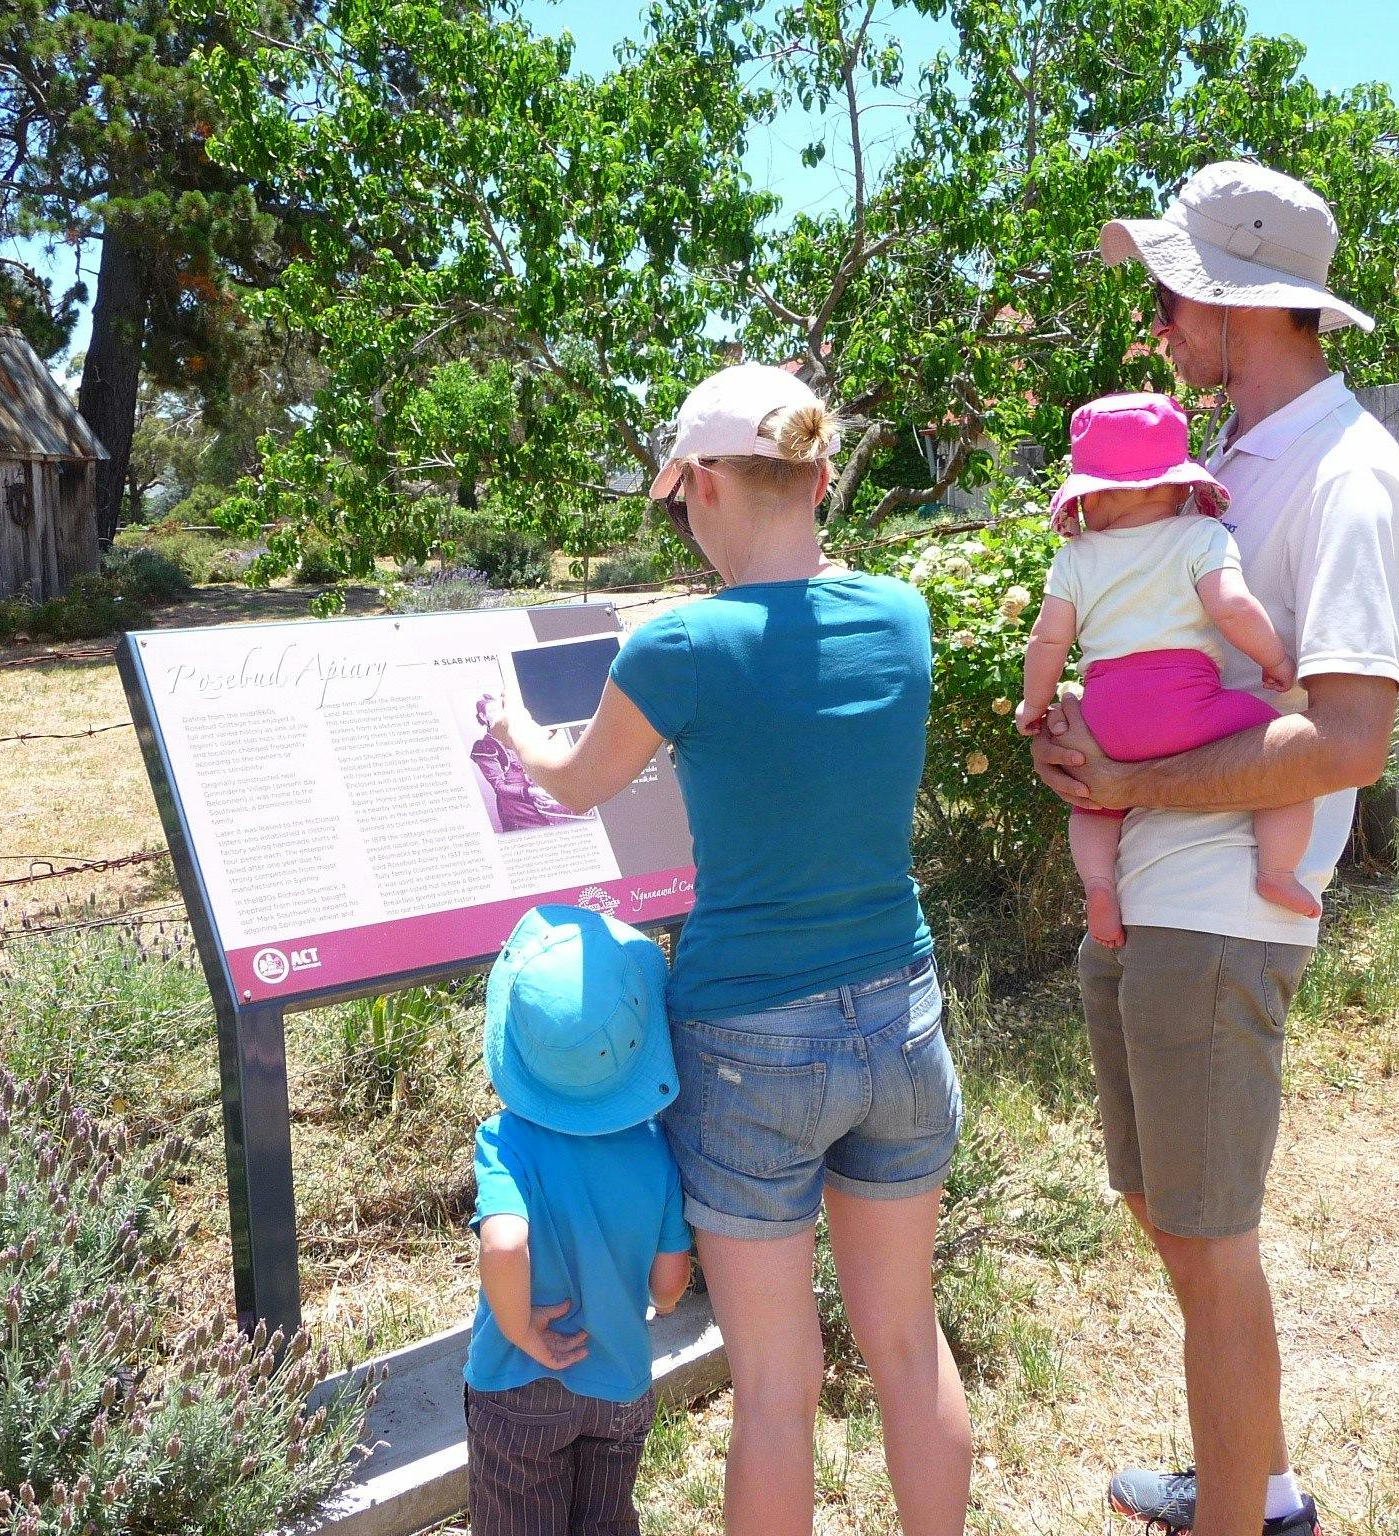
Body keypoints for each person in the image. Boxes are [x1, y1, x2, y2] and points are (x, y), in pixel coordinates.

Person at [483, 362, 970, 1536]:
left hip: (751, 1041)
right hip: (898, 1010)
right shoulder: (900, 612)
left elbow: (572, 780)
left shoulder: (677, 646)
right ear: (814, 476)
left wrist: (513, 728)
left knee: (772, 1389)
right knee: (907, 1346)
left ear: (702, 483)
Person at [1031, 162, 1399, 1536]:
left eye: (1163, 293)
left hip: (1221, 913)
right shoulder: (1230, 468)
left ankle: (1244, 1519)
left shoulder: (1348, 471)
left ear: (1224, 298)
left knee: (1208, 1237)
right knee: (1165, 1213)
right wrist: (1080, 741)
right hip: (1154, 892)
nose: (1156, 327)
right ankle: (1257, 1482)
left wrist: (1135, 776)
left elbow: (1352, 735)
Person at [1015, 391, 1318, 950]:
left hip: (1106, 717)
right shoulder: (1200, 536)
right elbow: (1232, 607)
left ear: (1094, 496)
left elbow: (1048, 637)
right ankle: (1277, 872)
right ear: (1177, 485)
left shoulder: (1076, 557)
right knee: (1288, 759)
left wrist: (1034, 706)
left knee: (1094, 799)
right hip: (1188, 706)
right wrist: (1276, 662)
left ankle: (1100, 888)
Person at [465, 904, 695, 1536]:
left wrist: (519, 1328)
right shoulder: (655, 1152)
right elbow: (670, 1286)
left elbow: (506, 1243)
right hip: (618, 1380)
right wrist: (660, 1303)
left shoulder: (504, 1142)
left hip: (518, 1388)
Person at [470, 697, 589, 831]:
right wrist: (530, 792)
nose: (498, 714)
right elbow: (499, 787)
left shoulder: (517, 734)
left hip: (540, 798)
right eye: (492, 710)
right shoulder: (485, 746)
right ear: (482, 716)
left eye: (500, 709)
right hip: (517, 808)